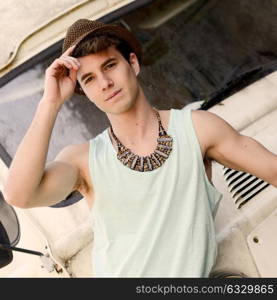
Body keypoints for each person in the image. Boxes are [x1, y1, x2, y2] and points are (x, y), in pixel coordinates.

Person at [3, 19, 277, 278]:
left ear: (132, 63)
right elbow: (19, 194)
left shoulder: (197, 128)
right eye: (89, 79)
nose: (104, 83)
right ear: (84, 90)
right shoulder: (83, 160)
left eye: (109, 65)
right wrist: (50, 103)